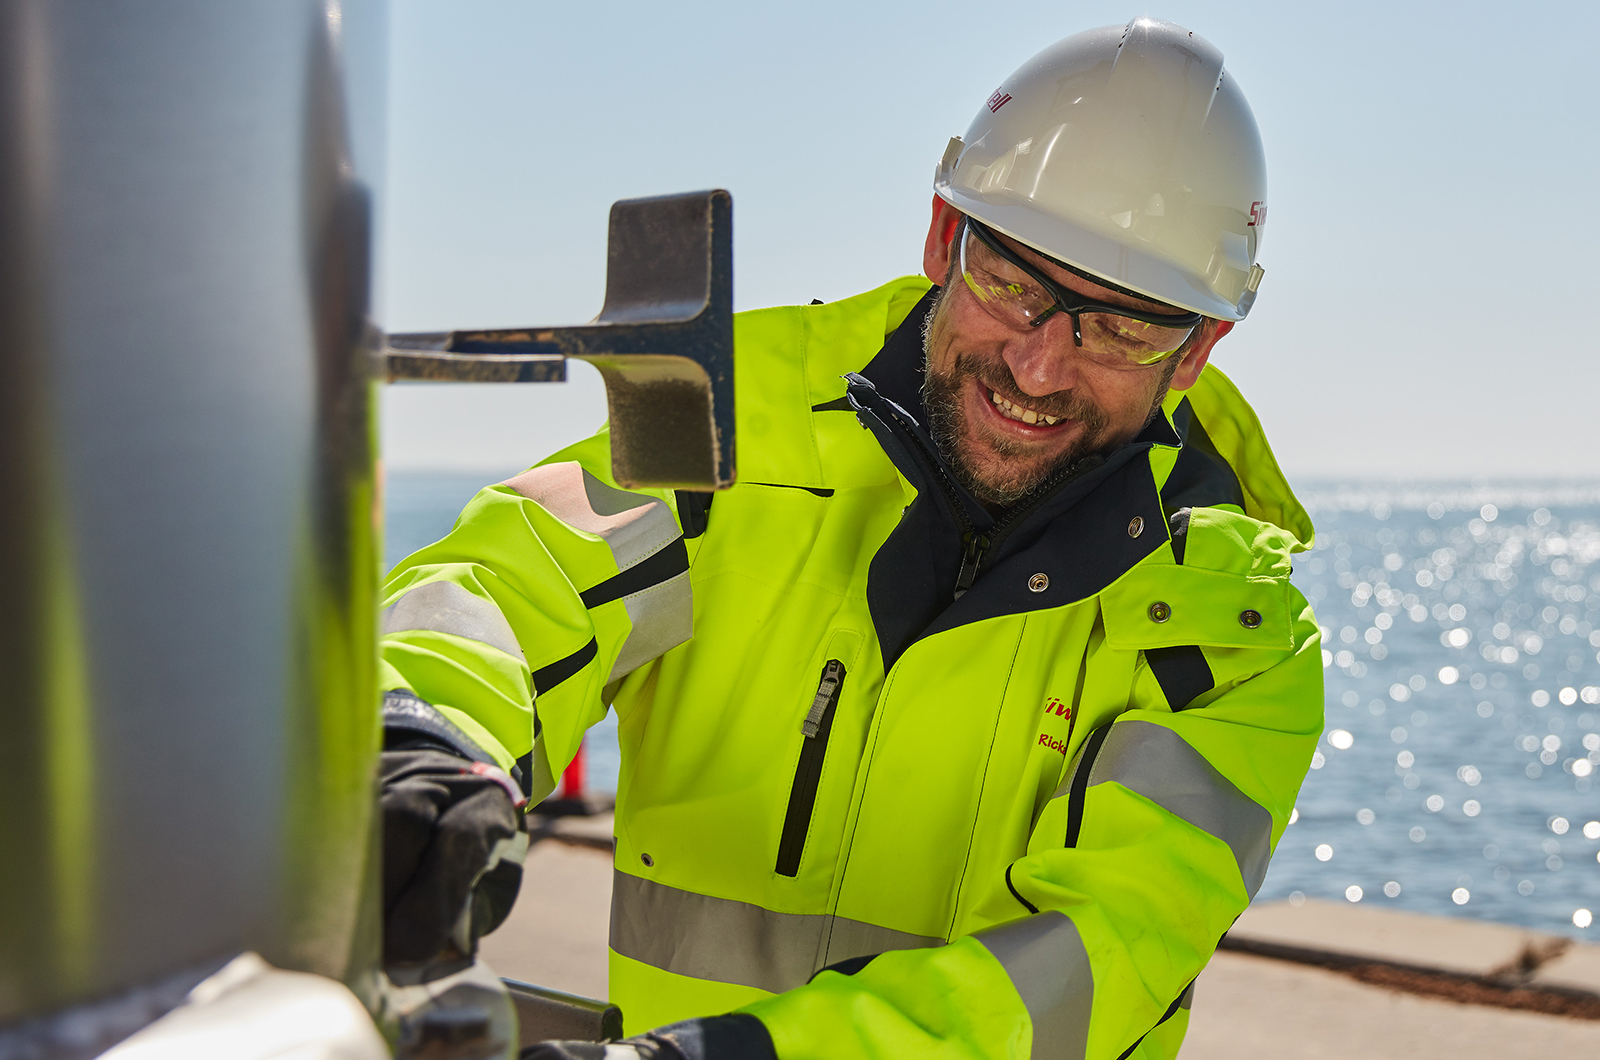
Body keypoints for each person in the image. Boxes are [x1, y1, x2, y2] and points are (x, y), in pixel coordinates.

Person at [376, 16, 1323, 1060]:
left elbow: (1097, 957)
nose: (1042, 365)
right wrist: (429, 734)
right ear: (938, 236)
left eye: (1126, 327)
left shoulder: (1235, 643)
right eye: (1011, 281)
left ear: (1199, 350)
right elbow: (517, 577)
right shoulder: (729, 424)